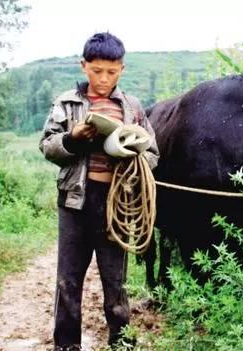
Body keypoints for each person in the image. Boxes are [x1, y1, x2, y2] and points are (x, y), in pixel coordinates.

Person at [39, 31, 159, 351]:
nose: (103, 79)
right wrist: (74, 138)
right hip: (75, 203)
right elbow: (48, 146)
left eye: (111, 71)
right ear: (83, 66)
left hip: (114, 205)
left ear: (122, 69)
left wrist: (134, 155)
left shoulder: (132, 107)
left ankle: (121, 344)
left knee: (115, 283)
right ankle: (66, 345)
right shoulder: (67, 103)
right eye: (96, 71)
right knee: (68, 281)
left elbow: (152, 153)